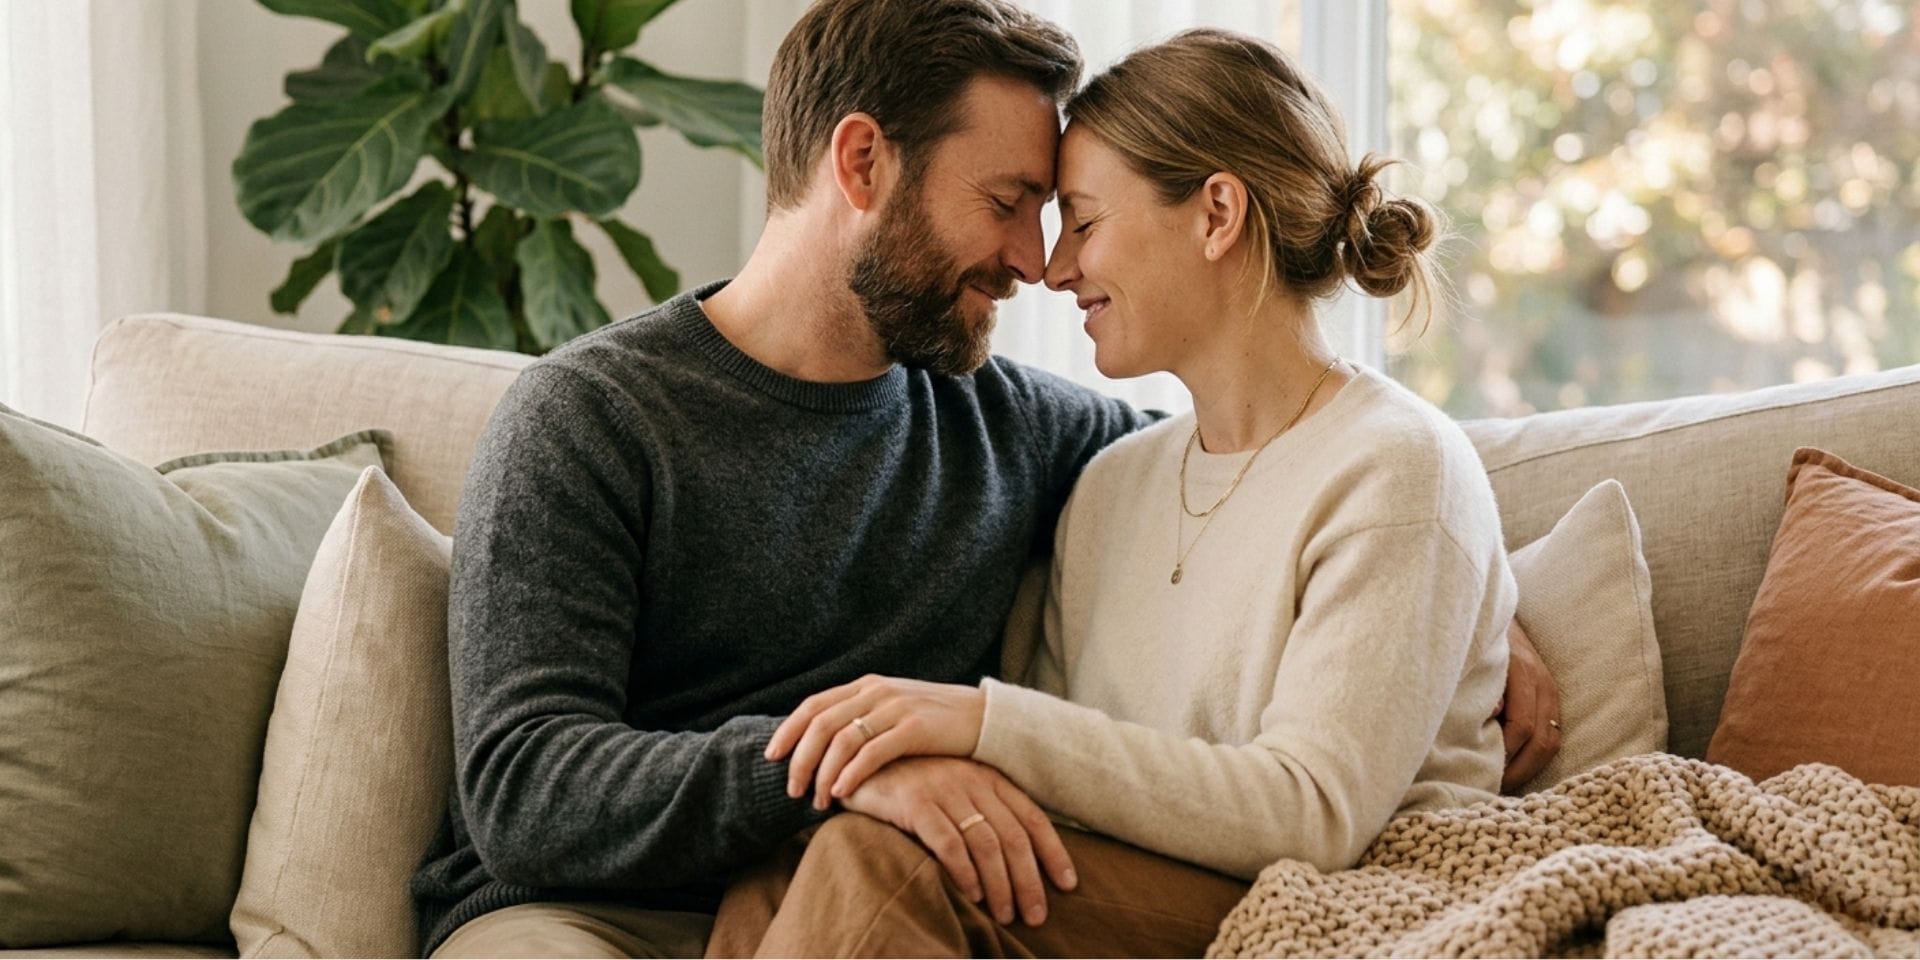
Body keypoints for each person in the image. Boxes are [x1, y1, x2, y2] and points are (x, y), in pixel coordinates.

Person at [411, 1, 1563, 956]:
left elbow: (1304, 468)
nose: (1035, 264)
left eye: (1064, 219)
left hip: (867, 876)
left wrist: (1488, 597)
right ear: (862, 162)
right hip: (591, 906)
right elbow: (525, 786)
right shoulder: (591, 417)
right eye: (1009, 204)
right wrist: (832, 776)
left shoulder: (1023, 433)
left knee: (853, 870)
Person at [711, 26, 1531, 958]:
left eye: (1083, 221)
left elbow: (1314, 813)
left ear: (1216, 214)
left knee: (884, 865)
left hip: (1344, 908)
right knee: (787, 862)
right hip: (1135, 886)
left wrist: (984, 724)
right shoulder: (1110, 483)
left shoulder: (1400, 467)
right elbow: (1055, 789)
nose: (1052, 269)